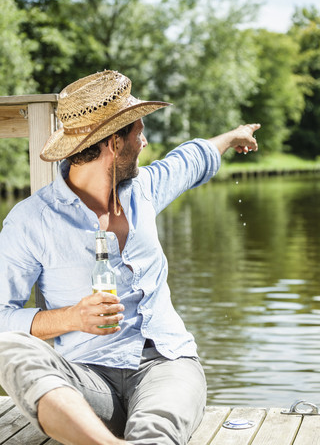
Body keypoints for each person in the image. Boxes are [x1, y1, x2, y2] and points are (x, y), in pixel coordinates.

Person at [0, 70, 260, 445]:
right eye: (139, 131)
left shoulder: (145, 189)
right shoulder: (31, 220)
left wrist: (233, 136)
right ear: (113, 143)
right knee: (9, 348)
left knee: (156, 429)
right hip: (87, 381)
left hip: (166, 366)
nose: (145, 141)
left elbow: (191, 159)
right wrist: (72, 317)